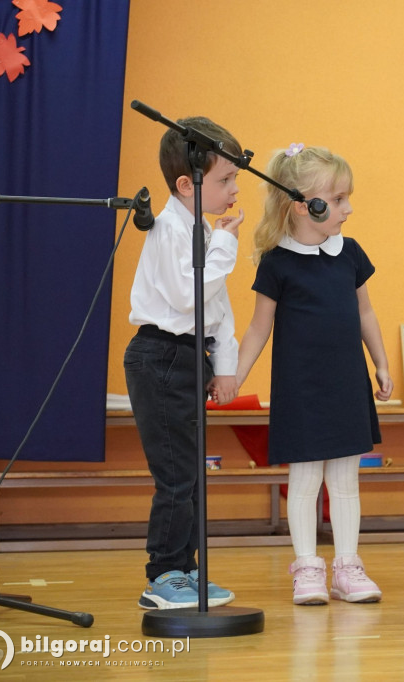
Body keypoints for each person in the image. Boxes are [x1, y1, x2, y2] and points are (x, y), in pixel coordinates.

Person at [236, 144, 393, 605]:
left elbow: (366, 311)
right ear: (307, 204)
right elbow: (257, 328)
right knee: (304, 480)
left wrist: (381, 362)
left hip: (346, 385)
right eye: (339, 199)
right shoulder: (278, 262)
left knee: (345, 480)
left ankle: (347, 566)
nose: (348, 209)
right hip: (301, 390)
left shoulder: (350, 254)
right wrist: (234, 375)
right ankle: (307, 568)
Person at [125, 116, 244, 609]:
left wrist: (226, 364)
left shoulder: (198, 228)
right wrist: (227, 243)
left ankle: (186, 567)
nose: (235, 188)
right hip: (162, 357)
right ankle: (164, 573)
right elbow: (188, 293)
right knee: (175, 475)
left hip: (191, 356)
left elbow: (217, 310)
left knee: (192, 473)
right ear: (186, 184)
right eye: (225, 180)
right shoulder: (172, 228)